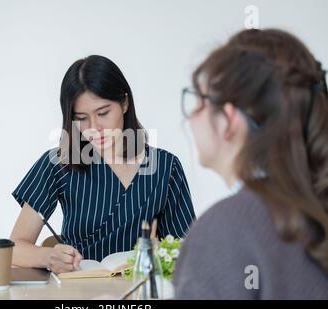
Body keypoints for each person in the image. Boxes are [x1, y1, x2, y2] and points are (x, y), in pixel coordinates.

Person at [173, 29, 328, 299]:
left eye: (199, 100)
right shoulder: (312, 202)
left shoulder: (224, 231)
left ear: (229, 120)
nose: (192, 117)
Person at [10, 55, 195, 274]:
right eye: (81, 118)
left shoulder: (165, 167)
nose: (94, 127)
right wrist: (48, 257)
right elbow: (13, 249)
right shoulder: (58, 163)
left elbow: (185, 251)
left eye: (103, 113)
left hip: (137, 295)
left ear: (124, 103)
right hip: (76, 296)